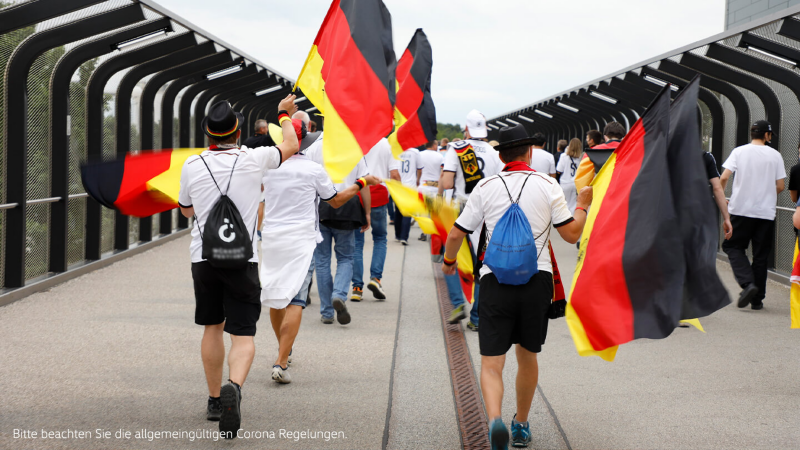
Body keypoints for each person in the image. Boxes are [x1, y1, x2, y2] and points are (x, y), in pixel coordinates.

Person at [442, 124, 592, 449]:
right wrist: (582, 203)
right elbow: (571, 234)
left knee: (492, 363)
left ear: (500, 156)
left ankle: (494, 420)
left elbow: (456, 234)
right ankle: (520, 424)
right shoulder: (547, 184)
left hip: (494, 281)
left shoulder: (486, 186)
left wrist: (449, 263)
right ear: (529, 153)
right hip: (536, 281)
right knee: (527, 355)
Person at [178, 96, 299, 437]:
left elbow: (186, 210)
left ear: (208, 134)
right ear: (238, 131)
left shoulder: (192, 165)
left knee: (212, 327)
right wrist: (283, 113)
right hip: (242, 260)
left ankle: (215, 400)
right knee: (242, 334)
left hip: (204, 258)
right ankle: (236, 386)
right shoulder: (255, 158)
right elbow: (291, 143)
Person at [261, 115, 381, 383]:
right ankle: (281, 361)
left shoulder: (267, 166)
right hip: (302, 237)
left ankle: (290, 343)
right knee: (297, 298)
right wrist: (363, 186)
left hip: (272, 238)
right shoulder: (316, 166)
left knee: (276, 296)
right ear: (305, 136)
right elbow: (336, 199)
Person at [300, 111, 372, 325]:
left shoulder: (313, 146)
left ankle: (326, 312)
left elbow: (305, 180)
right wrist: (367, 212)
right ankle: (339, 295)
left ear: (323, 120)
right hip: (348, 206)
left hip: (321, 207)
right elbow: (364, 181)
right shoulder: (354, 146)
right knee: (346, 257)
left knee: (321, 260)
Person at [439, 109, 503, 331]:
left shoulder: (456, 148)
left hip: (463, 209)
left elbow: (447, 183)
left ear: (466, 129)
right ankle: (476, 318)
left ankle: (457, 303)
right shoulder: (495, 152)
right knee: (482, 264)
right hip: (487, 211)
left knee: (449, 256)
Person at [720, 120, 786, 311]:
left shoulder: (739, 152)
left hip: (740, 210)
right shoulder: (775, 155)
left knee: (732, 246)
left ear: (752, 134)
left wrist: (723, 197)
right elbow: (780, 186)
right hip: (765, 212)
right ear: (767, 135)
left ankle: (747, 284)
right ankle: (757, 300)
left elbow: (724, 177)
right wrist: (765, 193)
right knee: (760, 255)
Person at [351, 138, 401, 302]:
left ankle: (357, 287)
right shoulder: (386, 144)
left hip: (358, 194)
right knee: (380, 238)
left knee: (357, 243)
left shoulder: (355, 140)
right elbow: (394, 174)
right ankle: (376, 279)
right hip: (379, 195)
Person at [575, 122, 626, 191]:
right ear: (622, 135)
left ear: (605, 136)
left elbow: (582, 179)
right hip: (625, 192)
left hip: (601, 192)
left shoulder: (592, 152)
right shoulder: (631, 149)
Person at [396, 146, 422, 245]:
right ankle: (404, 236)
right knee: (407, 212)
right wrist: (418, 179)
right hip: (410, 185)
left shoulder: (396, 150)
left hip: (398, 184)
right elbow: (419, 169)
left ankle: (398, 234)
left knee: (398, 210)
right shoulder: (415, 152)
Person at [556, 138, 583, 213]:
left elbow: (559, 170)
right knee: (573, 204)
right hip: (575, 183)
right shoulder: (580, 158)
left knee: (564, 203)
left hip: (565, 182)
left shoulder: (564, 156)